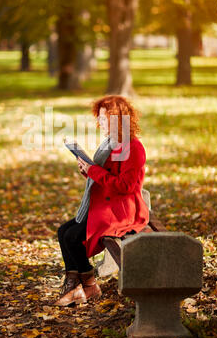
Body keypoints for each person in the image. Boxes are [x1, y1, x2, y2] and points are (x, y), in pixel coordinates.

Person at [54, 95, 149, 306]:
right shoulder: (111, 143)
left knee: (72, 237)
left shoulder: (132, 148)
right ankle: (83, 284)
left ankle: (86, 286)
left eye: (106, 118)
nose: (101, 123)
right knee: (64, 232)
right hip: (106, 205)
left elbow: (126, 186)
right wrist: (87, 171)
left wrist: (93, 171)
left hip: (123, 211)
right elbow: (106, 176)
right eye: (101, 118)